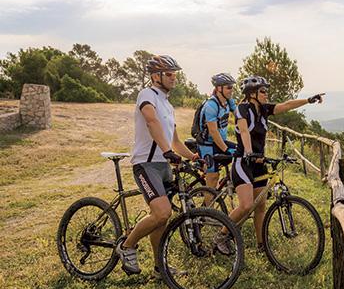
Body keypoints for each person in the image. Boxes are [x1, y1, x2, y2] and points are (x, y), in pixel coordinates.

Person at [213, 75, 324, 254]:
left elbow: (286, 105)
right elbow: (243, 131)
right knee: (246, 205)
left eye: (266, 91)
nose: (266, 94)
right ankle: (221, 235)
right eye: (263, 91)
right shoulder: (242, 108)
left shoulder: (264, 109)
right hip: (243, 162)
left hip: (259, 162)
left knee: (261, 206)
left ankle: (261, 245)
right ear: (251, 93)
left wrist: (308, 100)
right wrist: (249, 152)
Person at [116, 55, 200, 277]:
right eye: (169, 74)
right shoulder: (147, 94)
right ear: (156, 76)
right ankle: (127, 246)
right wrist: (167, 151)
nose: (174, 78)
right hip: (146, 163)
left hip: (163, 164)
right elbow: (151, 122)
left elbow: (175, 141)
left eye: (175, 74)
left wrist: (192, 157)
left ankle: (159, 267)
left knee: (162, 219)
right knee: (162, 212)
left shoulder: (168, 105)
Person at [196, 73, 238, 189]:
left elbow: (239, 116)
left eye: (232, 87)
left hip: (219, 142)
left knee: (241, 153)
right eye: (229, 87)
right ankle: (208, 207)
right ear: (219, 88)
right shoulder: (211, 105)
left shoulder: (228, 101)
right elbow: (213, 132)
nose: (231, 90)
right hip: (207, 144)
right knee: (213, 176)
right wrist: (226, 149)